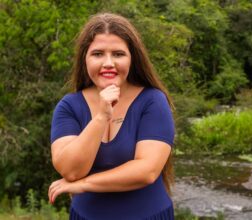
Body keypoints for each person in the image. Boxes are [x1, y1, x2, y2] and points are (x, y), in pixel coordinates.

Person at [48, 13, 175, 220]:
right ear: (84, 58)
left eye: (118, 54)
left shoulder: (153, 101)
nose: (108, 63)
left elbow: (147, 170)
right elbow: (70, 171)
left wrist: (85, 184)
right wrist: (101, 117)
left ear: (132, 58)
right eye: (98, 54)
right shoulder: (69, 106)